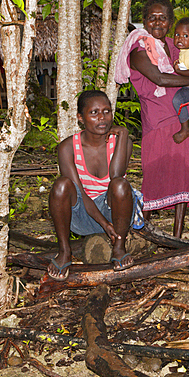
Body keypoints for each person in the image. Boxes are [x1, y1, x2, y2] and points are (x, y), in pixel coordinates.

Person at [115, 0, 189, 237]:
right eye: (152, 17)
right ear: (145, 21)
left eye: (163, 18)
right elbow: (160, 79)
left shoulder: (177, 43)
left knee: (186, 173)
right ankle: (140, 232)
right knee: (156, 174)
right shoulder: (139, 48)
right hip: (158, 118)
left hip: (186, 115)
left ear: (170, 21)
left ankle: (177, 236)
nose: (157, 22)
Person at [46, 90, 144, 280]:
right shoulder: (68, 147)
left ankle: (119, 247)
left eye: (107, 111)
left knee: (120, 185)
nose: (102, 118)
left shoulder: (122, 142)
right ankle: (64, 251)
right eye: (94, 113)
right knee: (61, 186)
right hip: (83, 215)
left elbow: (116, 176)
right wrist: (104, 225)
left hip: (115, 213)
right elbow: (80, 193)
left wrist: (123, 135)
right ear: (80, 118)